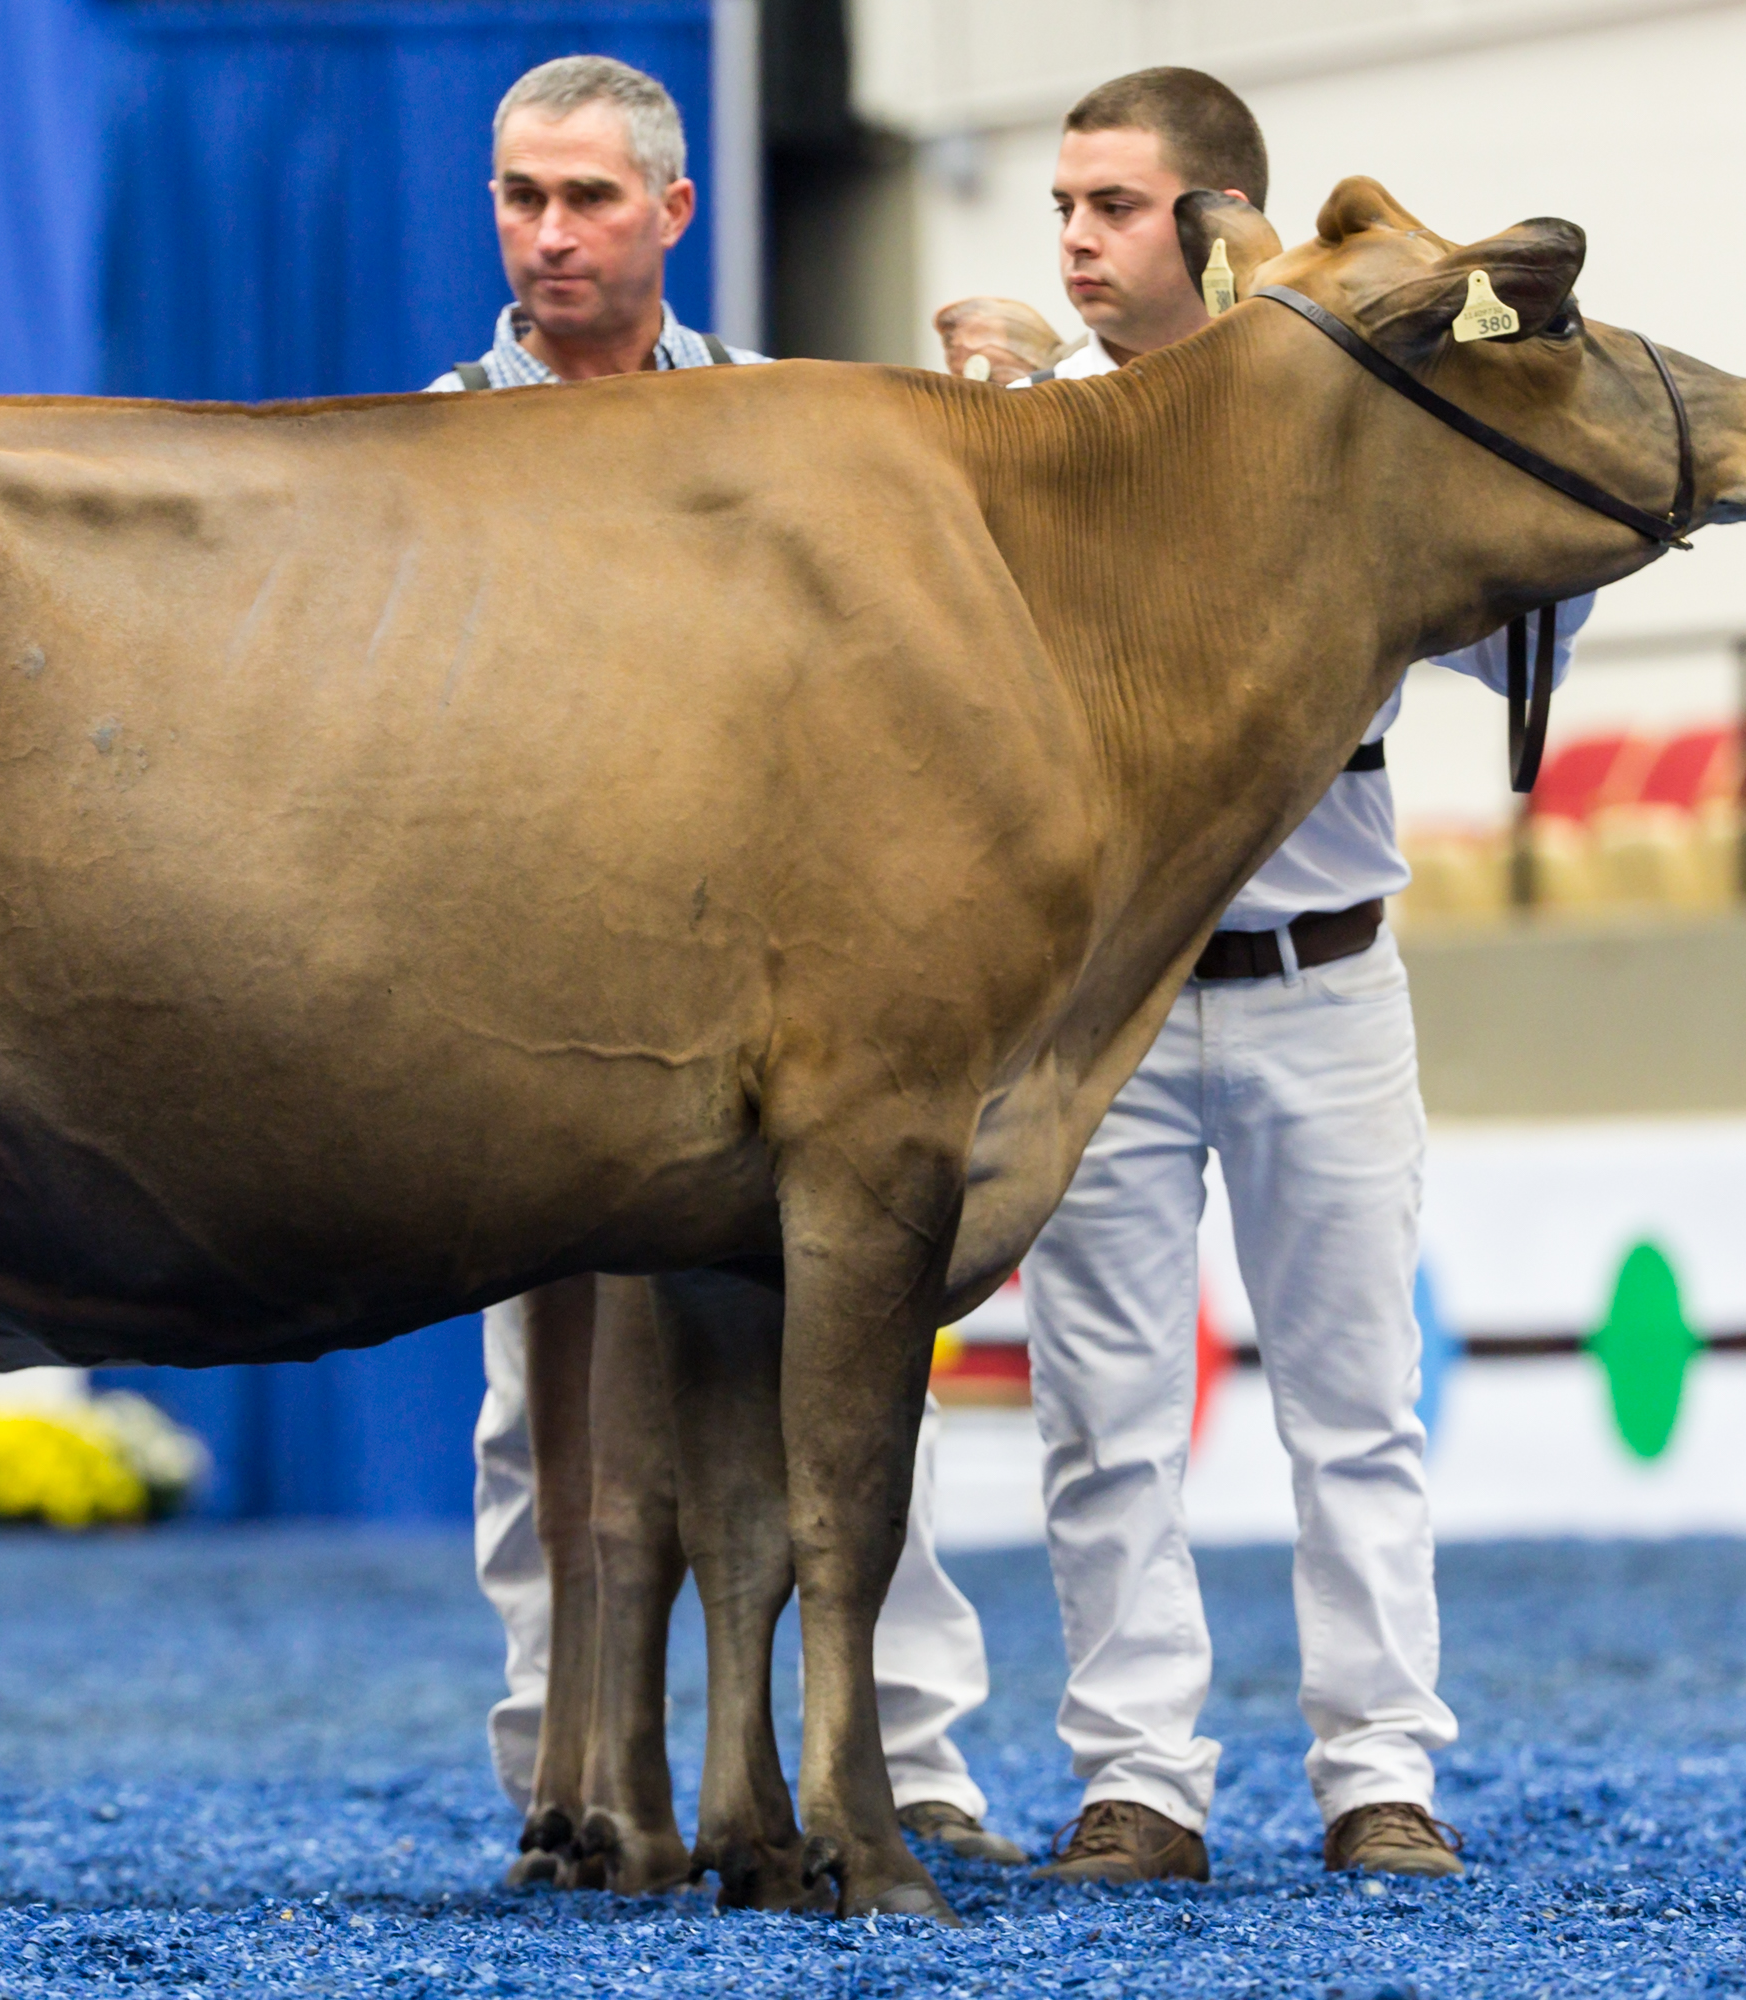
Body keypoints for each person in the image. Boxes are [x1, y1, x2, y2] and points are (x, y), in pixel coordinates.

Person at [938, 66, 1585, 1884]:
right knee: (1103, 1414)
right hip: (1109, 998)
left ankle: (1382, 1773)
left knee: (1356, 1406)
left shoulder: (1350, 412)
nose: (1075, 240)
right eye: (1062, 208)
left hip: (1327, 976)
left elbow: (1535, 625)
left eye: (1114, 207)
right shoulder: (1027, 436)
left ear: (1221, 219)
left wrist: (1498, 396)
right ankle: (1137, 1780)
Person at [444, 53, 1027, 1867]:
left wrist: (999, 409)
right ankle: (564, 1773)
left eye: (588, 198)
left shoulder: (783, 422)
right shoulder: (429, 443)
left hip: (764, 978)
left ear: (673, 212)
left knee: (846, 1358)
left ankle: (908, 1757)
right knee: (535, 1406)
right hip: (520, 980)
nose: (551, 234)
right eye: (523, 197)